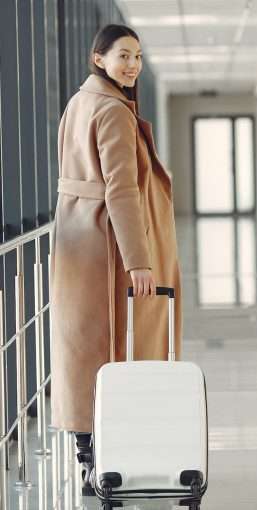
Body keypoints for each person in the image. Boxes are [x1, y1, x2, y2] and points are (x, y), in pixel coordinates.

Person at [49, 24, 182, 494]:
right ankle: (107, 457)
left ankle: (88, 458)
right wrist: (139, 261)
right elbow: (121, 191)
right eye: (123, 55)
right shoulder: (112, 112)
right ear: (98, 58)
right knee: (117, 350)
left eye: (138, 57)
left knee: (83, 348)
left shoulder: (78, 103)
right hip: (108, 246)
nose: (132, 65)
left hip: (78, 241)